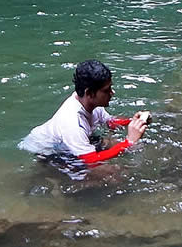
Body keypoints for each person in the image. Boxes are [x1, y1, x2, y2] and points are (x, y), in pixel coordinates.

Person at [19, 59, 149, 167]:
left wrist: (133, 122)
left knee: (113, 143)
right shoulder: (72, 121)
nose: (112, 93)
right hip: (46, 151)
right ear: (89, 93)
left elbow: (110, 122)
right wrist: (129, 142)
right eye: (106, 90)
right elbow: (91, 160)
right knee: (111, 174)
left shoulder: (90, 102)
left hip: (69, 142)